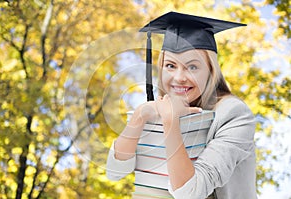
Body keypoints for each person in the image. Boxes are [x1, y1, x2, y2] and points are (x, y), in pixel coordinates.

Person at [106, 11, 257, 199]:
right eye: (170, 65)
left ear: (211, 71)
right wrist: (139, 116)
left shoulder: (234, 114)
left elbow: (191, 193)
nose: (179, 78)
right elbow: (115, 172)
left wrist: (171, 121)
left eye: (192, 67)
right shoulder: (158, 108)